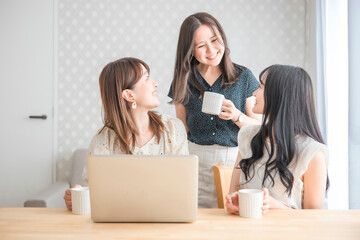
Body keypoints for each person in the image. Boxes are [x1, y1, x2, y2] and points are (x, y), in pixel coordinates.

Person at [64, 57, 189, 210]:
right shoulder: (104, 140)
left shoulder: (173, 128)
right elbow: (95, 195)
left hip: (167, 215)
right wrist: (76, 196)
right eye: (147, 78)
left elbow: (183, 185)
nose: (155, 83)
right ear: (129, 95)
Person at [168, 12, 261, 207]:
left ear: (222, 38)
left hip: (235, 161)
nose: (211, 50)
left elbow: (258, 126)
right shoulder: (182, 81)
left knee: (233, 219)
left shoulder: (243, 76)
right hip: (196, 161)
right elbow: (181, 129)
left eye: (214, 40)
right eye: (201, 46)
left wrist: (237, 116)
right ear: (189, 51)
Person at [226, 65, 329, 214]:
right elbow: (233, 193)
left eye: (261, 87)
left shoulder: (313, 154)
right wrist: (233, 204)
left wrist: (276, 206)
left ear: (279, 95)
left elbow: (313, 219)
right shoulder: (247, 136)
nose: (254, 93)